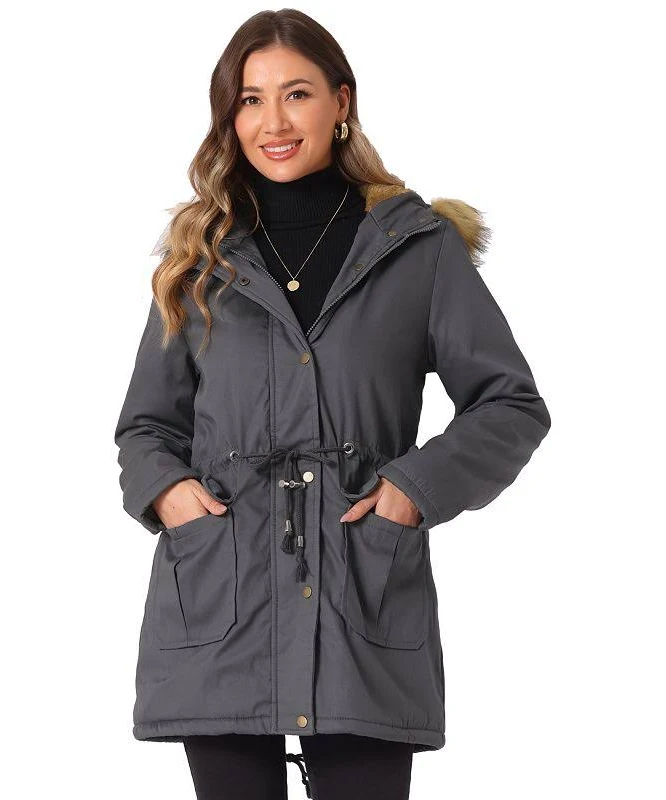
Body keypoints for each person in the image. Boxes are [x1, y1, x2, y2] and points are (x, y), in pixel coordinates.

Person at [113, 9, 551, 800]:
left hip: (362, 596)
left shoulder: (416, 248)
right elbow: (147, 425)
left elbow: (510, 403)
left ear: (341, 101)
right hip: (223, 598)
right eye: (250, 100)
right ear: (229, 116)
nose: (273, 122)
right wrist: (170, 493)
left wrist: (412, 491)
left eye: (297, 94)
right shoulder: (201, 256)